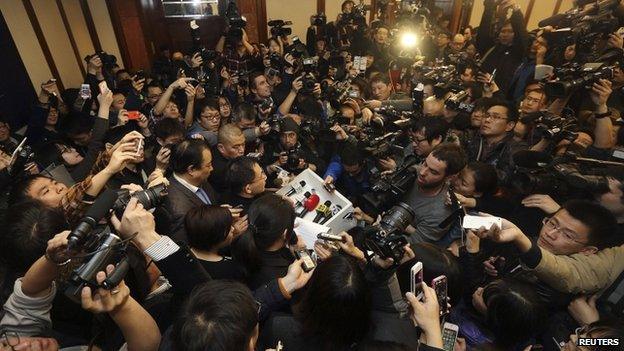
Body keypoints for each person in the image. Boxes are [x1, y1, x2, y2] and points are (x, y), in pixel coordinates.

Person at [402, 143, 467, 246]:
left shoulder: (440, 213)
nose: (422, 172)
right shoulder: (412, 174)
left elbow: (413, 244)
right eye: (425, 164)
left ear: (449, 177)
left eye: (433, 172)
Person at [158, 138, 218, 243]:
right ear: (191, 170)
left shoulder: (199, 179)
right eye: (208, 165)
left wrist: (219, 213)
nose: (212, 168)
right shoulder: (179, 211)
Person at [184, 205, 247, 281]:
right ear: (217, 237)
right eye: (228, 227)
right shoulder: (230, 270)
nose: (233, 229)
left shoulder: (180, 256)